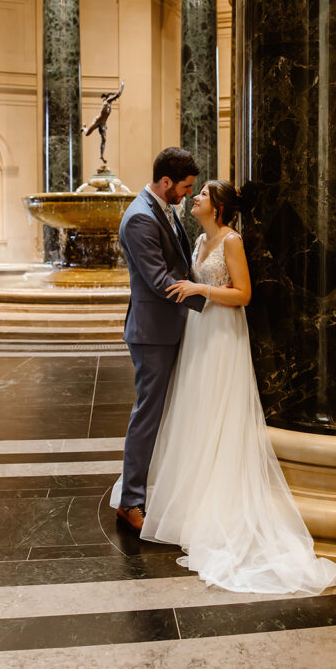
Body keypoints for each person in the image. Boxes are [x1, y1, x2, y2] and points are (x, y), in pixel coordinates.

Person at [114, 175, 336, 595]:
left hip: (222, 333)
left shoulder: (231, 241)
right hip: (198, 332)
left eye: (201, 194)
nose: (195, 198)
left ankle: (216, 502)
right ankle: (188, 493)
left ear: (217, 207)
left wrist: (200, 287)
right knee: (193, 409)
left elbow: (244, 295)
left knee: (218, 406)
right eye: (195, 191)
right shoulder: (199, 241)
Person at [116, 147, 206, 534]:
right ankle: (131, 501)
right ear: (165, 182)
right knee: (148, 415)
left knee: (166, 413)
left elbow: (180, 264)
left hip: (170, 326)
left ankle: (157, 486)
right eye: (184, 188)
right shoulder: (139, 218)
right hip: (152, 333)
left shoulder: (163, 208)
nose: (187, 195)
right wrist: (214, 300)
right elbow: (158, 280)